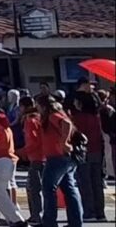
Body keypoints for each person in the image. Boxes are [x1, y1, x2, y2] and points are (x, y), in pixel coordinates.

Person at [37, 95, 83, 227]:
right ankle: (75, 222)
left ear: (44, 106)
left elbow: (66, 123)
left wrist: (64, 141)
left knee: (48, 188)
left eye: (38, 105)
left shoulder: (52, 115)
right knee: (70, 189)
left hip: (57, 157)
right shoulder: (58, 113)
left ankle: (49, 222)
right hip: (65, 157)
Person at [70, 92, 105, 222]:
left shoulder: (77, 118)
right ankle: (100, 212)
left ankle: (89, 211)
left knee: (85, 182)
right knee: (97, 182)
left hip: (83, 152)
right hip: (96, 150)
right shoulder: (96, 117)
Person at [18, 96, 45, 226]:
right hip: (45, 156)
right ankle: (39, 214)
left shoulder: (30, 120)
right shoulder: (40, 117)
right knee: (43, 188)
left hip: (36, 157)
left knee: (32, 188)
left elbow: (33, 140)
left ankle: (36, 215)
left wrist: (22, 152)